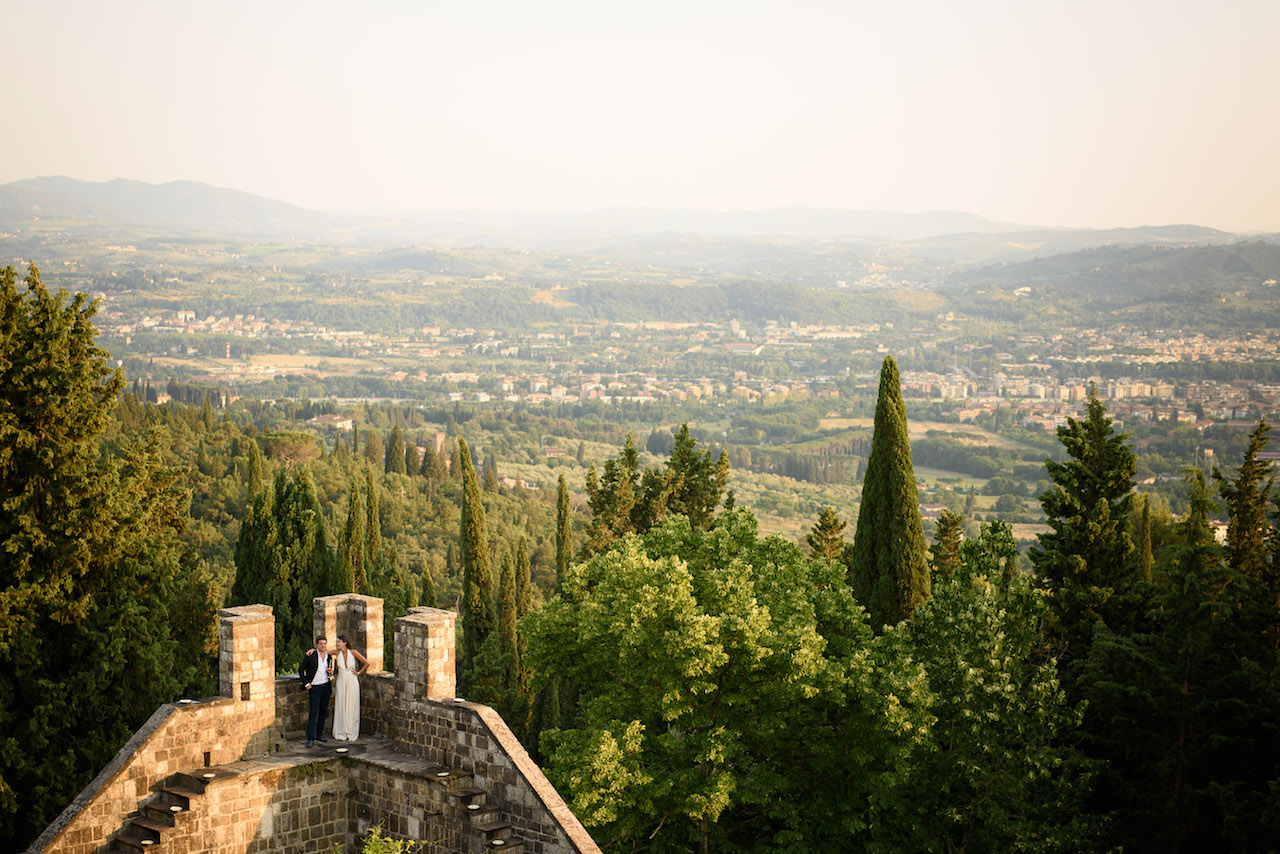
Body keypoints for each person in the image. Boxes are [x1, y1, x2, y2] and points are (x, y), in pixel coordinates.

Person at [331, 635, 370, 741]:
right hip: (341, 680)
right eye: (337, 642)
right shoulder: (336, 652)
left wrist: (358, 673)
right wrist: (312, 650)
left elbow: (367, 663)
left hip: (352, 680)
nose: (337, 644)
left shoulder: (353, 652)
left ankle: (351, 731)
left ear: (344, 643)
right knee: (341, 704)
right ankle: (341, 731)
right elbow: (323, 652)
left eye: (339, 642)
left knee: (352, 704)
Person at [299, 637, 333, 748]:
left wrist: (331, 673)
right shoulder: (311, 655)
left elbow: (331, 671)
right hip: (314, 688)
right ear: (317, 645)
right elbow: (301, 670)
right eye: (321, 644)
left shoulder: (329, 657)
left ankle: (320, 735)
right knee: (313, 712)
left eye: (325, 644)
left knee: (323, 711)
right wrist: (306, 683)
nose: (323, 646)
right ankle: (310, 739)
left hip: (326, 687)